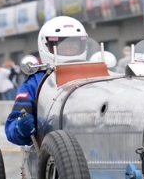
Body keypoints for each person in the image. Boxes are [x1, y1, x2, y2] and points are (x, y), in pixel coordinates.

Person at [5, 16, 89, 146]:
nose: (68, 51)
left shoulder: (95, 76)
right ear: (46, 45)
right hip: (49, 151)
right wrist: (21, 127)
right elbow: (11, 128)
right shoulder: (35, 82)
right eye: (62, 47)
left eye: (73, 47)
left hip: (92, 143)